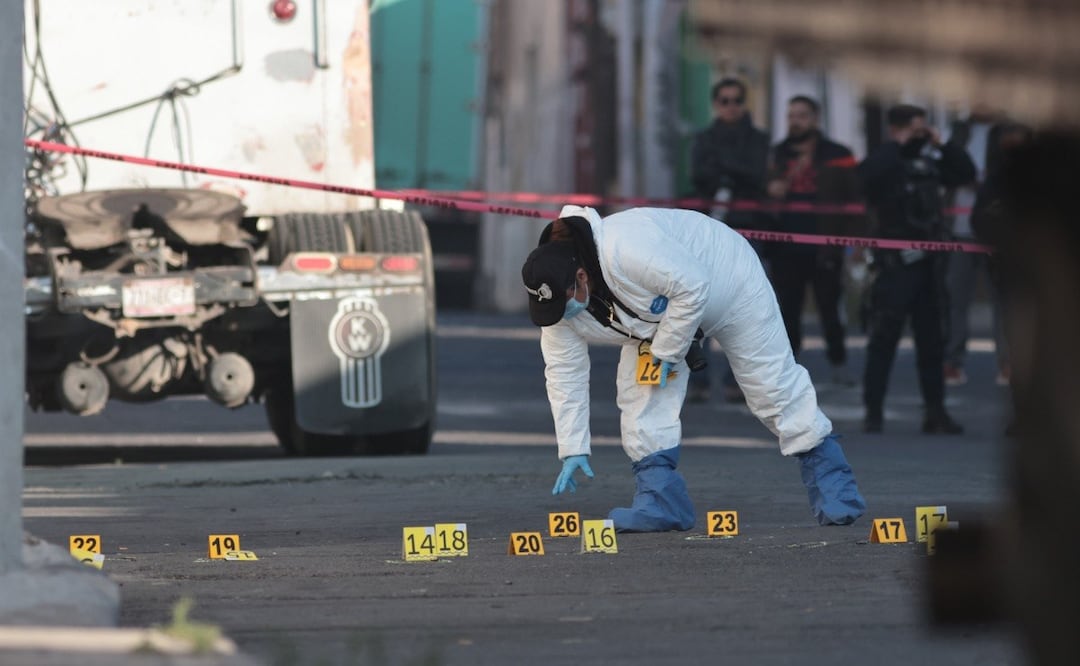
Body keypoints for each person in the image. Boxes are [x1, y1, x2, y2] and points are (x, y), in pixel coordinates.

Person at [520, 205, 866, 532]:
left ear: (581, 277)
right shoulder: (557, 307)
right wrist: (573, 446)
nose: (557, 317)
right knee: (642, 396)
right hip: (655, 316)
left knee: (770, 385)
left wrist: (668, 349)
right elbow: (564, 372)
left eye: (561, 304)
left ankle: (833, 485)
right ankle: (660, 502)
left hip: (727, 279)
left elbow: (693, 285)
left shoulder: (625, 246)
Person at [859, 104, 976, 434]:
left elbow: (965, 172)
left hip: (929, 263)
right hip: (896, 263)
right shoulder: (886, 161)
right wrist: (897, 144)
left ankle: (935, 411)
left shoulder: (929, 161)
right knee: (884, 338)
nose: (920, 136)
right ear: (897, 128)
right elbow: (865, 178)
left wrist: (941, 145)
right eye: (916, 128)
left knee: (932, 340)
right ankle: (874, 410)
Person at [764, 95, 862, 385]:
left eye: (802, 115)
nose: (796, 121)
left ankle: (838, 363)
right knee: (787, 311)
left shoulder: (838, 153)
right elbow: (761, 193)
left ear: (816, 119)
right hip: (785, 246)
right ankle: (788, 368)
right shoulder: (777, 154)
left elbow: (854, 199)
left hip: (824, 246)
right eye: (792, 115)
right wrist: (772, 191)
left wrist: (855, 242)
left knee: (830, 308)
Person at [688, 77, 770, 403]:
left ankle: (741, 380)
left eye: (736, 100)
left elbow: (757, 175)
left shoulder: (758, 140)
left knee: (745, 307)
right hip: (710, 228)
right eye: (724, 100)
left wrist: (726, 171)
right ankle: (700, 378)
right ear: (715, 104)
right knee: (699, 303)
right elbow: (699, 175)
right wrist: (733, 173)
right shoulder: (704, 138)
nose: (731, 106)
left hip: (748, 228)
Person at [943, 107, 1008, 387]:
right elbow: (945, 169)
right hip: (959, 230)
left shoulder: (1008, 130)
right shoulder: (959, 131)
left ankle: (1008, 364)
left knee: (1003, 301)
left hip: (998, 232)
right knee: (955, 298)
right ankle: (953, 362)